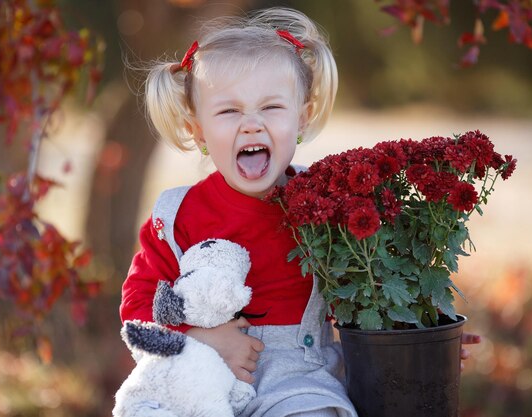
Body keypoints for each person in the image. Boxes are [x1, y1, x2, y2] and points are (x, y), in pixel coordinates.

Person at [120, 7, 478, 417]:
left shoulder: (327, 200)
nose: (252, 125)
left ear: (302, 119)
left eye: (271, 108)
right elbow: (138, 303)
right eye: (229, 111)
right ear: (198, 130)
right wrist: (202, 337)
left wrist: (422, 337)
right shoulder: (178, 214)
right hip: (202, 375)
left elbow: (380, 283)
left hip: (299, 379)